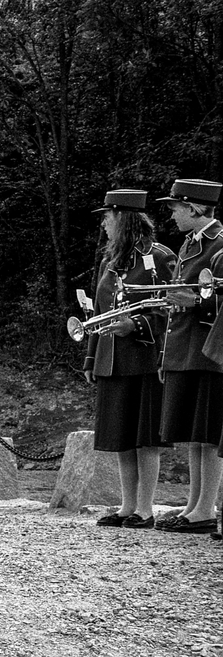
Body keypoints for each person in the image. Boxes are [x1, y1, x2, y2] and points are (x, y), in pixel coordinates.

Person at [80, 189, 175, 529]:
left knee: (144, 436)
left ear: (122, 218)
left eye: (107, 217)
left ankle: (146, 509)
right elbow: (100, 311)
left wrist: (135, 324)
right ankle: (126, 506)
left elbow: (169, 310)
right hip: (112, 358)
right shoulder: (110, 262)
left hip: (145, 356)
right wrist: (91, 358)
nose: (104, 224)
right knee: (121, 435)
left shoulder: (161, 257)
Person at [154, 179, 223, 533]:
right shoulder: (189, 244)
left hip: (206, 349)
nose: (173, 214)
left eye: (176, 208)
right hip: (186, 348)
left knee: (207, 434)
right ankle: (195, 505)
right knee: (193, 434)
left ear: (194, 208)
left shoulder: (220, 244)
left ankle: (205, 508)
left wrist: (194, 302)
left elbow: (218, 298)